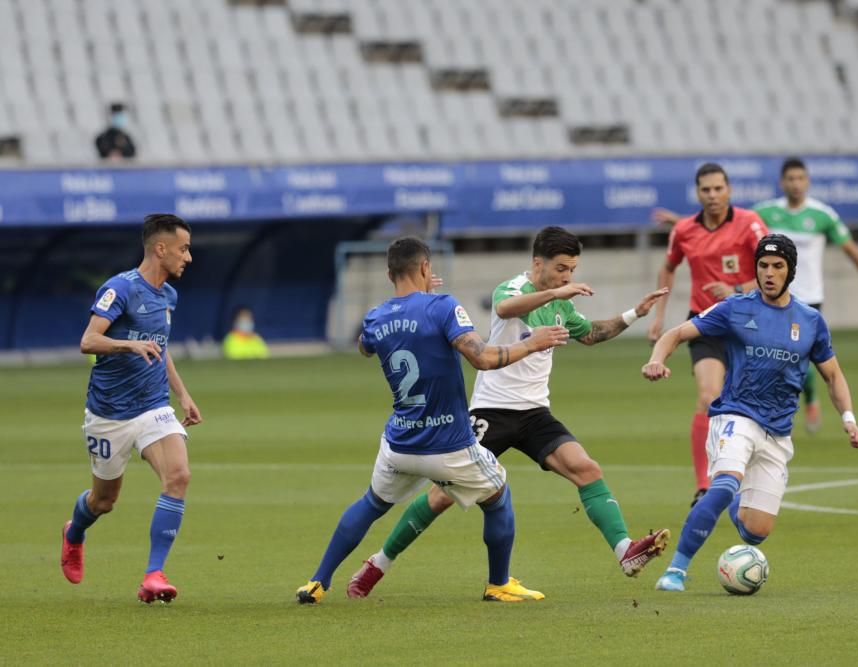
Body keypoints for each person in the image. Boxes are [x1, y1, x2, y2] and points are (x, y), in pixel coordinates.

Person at [343, 226, 672, 600]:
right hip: (491, 411)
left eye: (572, 270)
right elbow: (504, 309)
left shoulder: (560, 304)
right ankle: (378, 564)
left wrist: (634, 314)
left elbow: (591, 333)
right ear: (537, 263)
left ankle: (625, 551)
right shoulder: (514, 288)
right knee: (441, 497)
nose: (568, 277)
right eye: (562, 268)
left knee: (587, 469)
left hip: (534, 413)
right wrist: (555, 292)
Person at [296, 236, 569, 604]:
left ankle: (317, 582)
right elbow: (483, 358)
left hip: (400, 442)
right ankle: (499, 583)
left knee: (372, 503)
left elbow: (365, 346)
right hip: (447, 443)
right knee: (498, 496)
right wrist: (531, 343)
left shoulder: (376, 316)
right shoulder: (442, 306)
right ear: (426, 268)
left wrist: (413, 301)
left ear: (389, 273)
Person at [642, 234, 858, 592]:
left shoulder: (810, 320)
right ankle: (676, 571)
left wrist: (849, 419)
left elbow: (833, 375)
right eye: (763, 266)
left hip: (777, 432)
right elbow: (678, 333)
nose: (769, 273)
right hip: (735, 415)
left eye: (778, 266)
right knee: (723, 484)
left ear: (791, 271)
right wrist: (655, 360)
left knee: (756, 532)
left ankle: (737, 507)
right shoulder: (736, 308)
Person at [60, 213, 201, 604]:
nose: (188, 257)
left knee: (179, 475)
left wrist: (182, 395)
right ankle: (74, 532)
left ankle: (153, 575)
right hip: (108, 412)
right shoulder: (119, 288)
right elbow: (88, 340)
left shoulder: (169, 296)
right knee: (103, 501)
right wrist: (128, 345)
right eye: (184, 248)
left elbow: (161, 346)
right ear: (161, 248)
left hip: (152, 406)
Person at [647, 163, 768, 505]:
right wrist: (659, 316)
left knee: (748, 404)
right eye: (706, 190)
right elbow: (668, 266)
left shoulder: (751, 224)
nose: (713, 195)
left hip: (750, 323)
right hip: (706, 323)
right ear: (698, 193)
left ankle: (748, 476)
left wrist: (737, 287)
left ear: (729, 189)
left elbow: (776, 268)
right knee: (708, 394)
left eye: (718, 189)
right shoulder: (684, 230)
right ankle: (704, 484)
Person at [754, 157, 858, 432]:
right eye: (790, 179)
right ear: (782, 183)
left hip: (809, 297)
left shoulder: (822, 215)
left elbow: (851, 250)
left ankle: (810, 399)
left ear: (808, 182)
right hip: (774, 296)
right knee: (776, 353)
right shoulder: (765, 213)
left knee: (799, 354)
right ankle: (785, 405)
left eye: (800, 178)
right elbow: (729, 225)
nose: (795, 184)